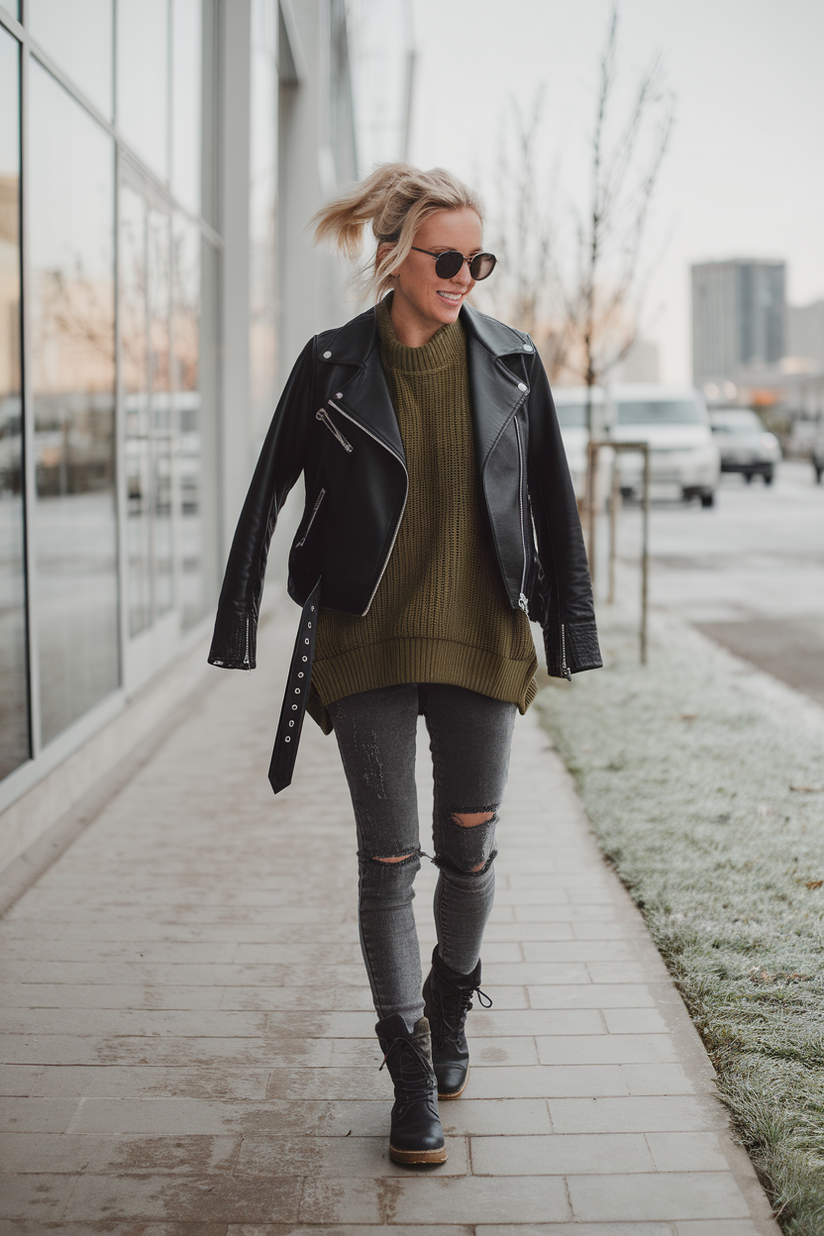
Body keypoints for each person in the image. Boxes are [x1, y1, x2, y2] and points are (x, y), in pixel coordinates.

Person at [208, 163, 601, 1166]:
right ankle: (407, 1065)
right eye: (448, 257)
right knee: (387, 863)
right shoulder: (331, 363)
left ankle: (449, 996)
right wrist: (238, 625)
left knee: (466, 851)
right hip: (365, 639)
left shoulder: (512, 361)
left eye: (480, 257)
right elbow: (265, 493)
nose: (466, 273)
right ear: (393, 258)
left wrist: (572, 630)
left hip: (482, 637)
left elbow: (551, 501)